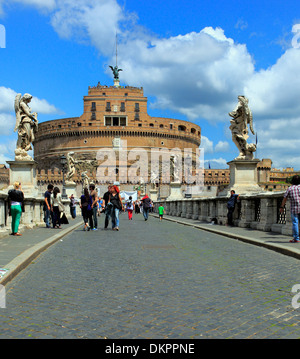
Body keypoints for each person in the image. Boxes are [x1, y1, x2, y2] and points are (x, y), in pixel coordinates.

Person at [280, 175, 300, 243]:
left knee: (295, 223)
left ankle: (296, 238)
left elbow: (285, 198)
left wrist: (282, 207)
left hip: (294, 208)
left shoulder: (290, 188)